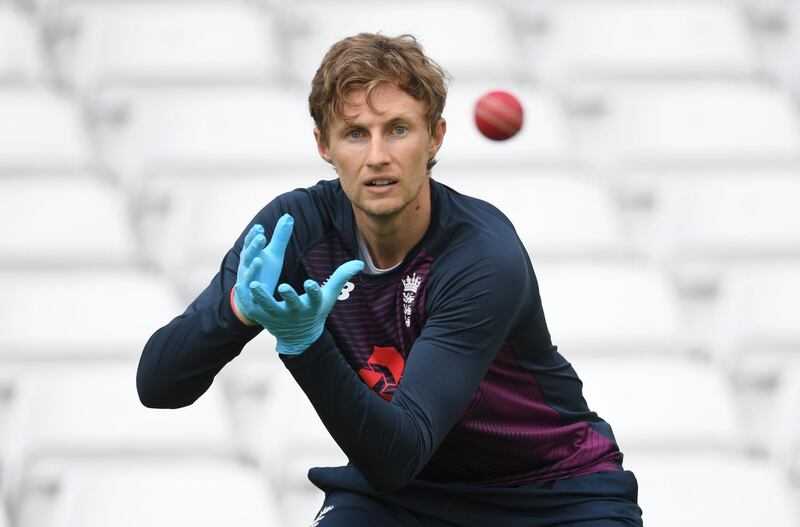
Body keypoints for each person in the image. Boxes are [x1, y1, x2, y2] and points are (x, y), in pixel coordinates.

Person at [137, 33, 644, 526]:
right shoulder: (293, 229)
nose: (378, 155)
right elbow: (159, 385)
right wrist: (236, 311)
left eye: (398, 129)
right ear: (324, 145)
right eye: (356, 133)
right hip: (402, 499)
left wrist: (304, 343)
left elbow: (398, 453)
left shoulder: (482, 256)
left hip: (553, 494)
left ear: (435, 137)